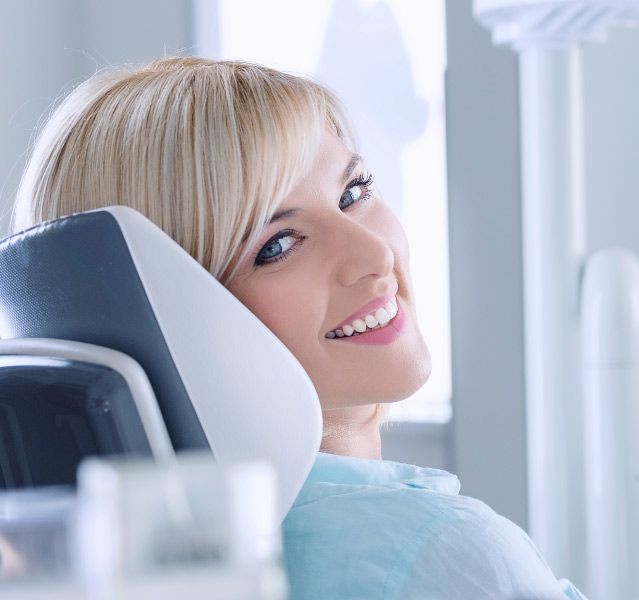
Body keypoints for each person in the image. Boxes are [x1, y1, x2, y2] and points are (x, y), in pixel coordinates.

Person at [13, 57, 586, 599]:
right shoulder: (442, 553)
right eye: (277, 246)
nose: (373, 254)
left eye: (353, 193)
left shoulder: (141, 566)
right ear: (170, 316)